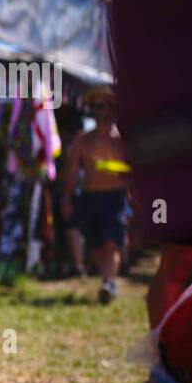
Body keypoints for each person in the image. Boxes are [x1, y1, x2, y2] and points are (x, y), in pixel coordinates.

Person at [61, 86, 130, 304]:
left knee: (111, 241)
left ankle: (108, 282)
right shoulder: (83, 140)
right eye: (95, 106)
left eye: (104, 106)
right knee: (97, 244)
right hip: (91, 197)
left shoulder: (122, 141)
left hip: (115, 197)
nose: (99, 111)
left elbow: (136, 172)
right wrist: (67, 198)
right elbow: (73, 171)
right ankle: (107, 278)